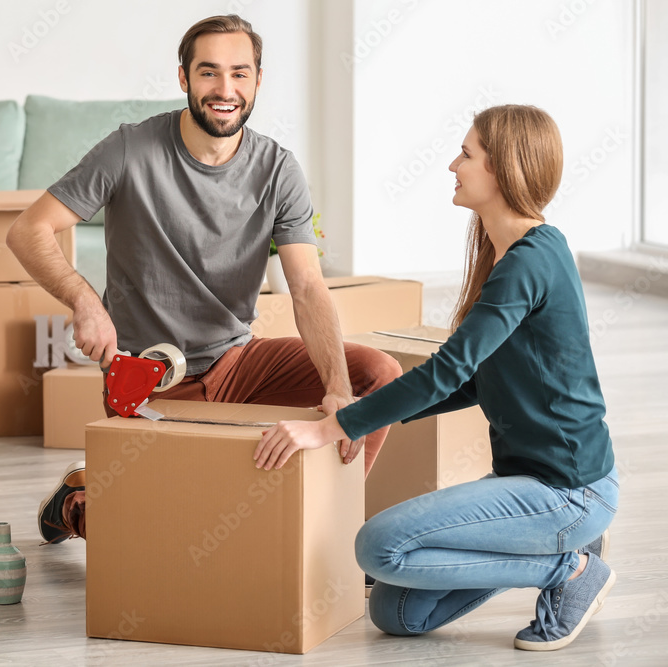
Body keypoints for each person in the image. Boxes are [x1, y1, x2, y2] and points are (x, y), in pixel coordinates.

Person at [7, 14, 402, 545]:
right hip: (149, 378)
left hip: (237, 361)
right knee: (172, 540)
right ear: (184, 79)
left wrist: (336, 388)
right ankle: (79, 503)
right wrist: (84, 300)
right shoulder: (130, 150)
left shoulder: (278, 169)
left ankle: (327, 539)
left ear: (258, 81)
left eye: (240, 74)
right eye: (209, 73)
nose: (225, 89)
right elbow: (29, 230)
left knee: (377, 376)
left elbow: (307, 286)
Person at [254, 104, 618, 652]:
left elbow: (448, 370)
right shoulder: (509, 255)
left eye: (467, 154)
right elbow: (472, 383)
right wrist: (365, 418)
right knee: (396, 610)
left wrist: (333, 428)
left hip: (568, 490)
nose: (452, 164)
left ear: (505, 169)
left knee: (378, 548)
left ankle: (567, 569)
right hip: (525, 483)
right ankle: (538, 551)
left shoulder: (531, 260)